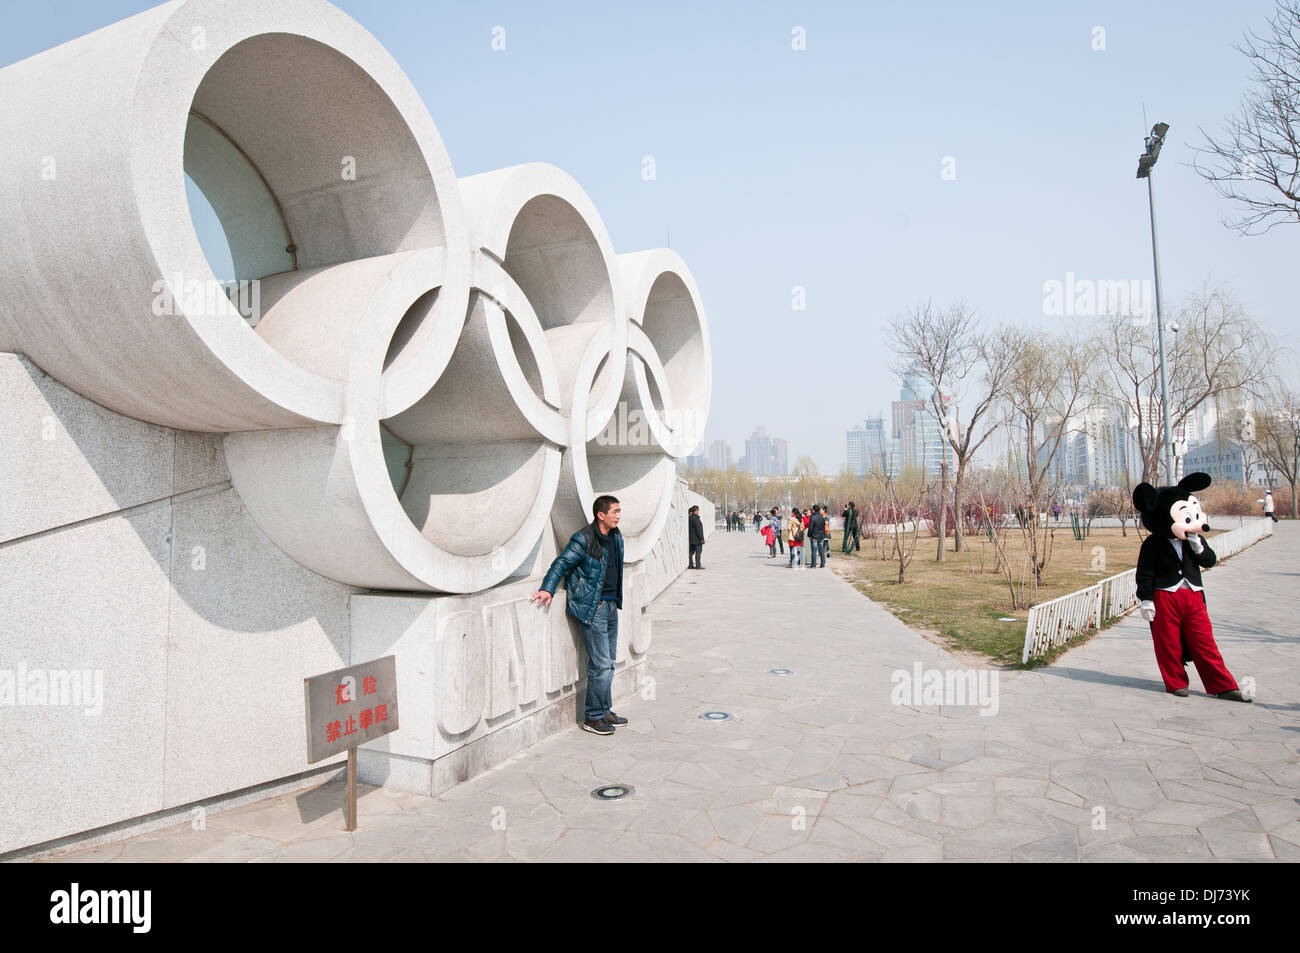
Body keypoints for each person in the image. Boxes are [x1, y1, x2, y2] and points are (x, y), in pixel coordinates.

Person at [530, 495, 629, 735]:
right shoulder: (583, 538)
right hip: (592, 608)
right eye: (614, 511)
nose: (618, 515)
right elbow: (561, 563)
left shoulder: (616, 536)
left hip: (611, 607)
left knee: (609, 663)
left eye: (619, 511)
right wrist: (547, 588)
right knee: (600, 664)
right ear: (600, 515)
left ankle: (604, 710)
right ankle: (593, 717)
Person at [688, 504, 705, 569]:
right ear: (696, 511)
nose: (698, 511)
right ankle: (698, 565)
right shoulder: (696, 519)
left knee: (691, 553)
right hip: (697, 540)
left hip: (691, 539)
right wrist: (701, 539)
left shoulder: (690, 518)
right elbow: (699, 529)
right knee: (698, 553)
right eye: (698, 510)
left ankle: (690, 565)